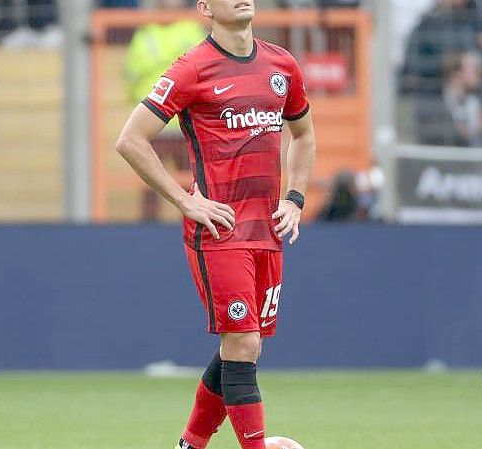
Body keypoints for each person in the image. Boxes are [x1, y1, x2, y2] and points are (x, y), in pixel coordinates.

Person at [114, 1, 316, 448]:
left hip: (267, 231)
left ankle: (189, 444)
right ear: (206, 8)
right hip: (221, 233)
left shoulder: (282, 64)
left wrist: (296, 199)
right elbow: (130, 139)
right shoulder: (193, 69)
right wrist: (185, 200)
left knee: (242, 346)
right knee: (243, 344)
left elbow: (302, 134)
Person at [123, 0, 207, 220]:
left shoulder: (191, 30)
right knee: (152, 183)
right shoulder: (146, 34)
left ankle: (195, 222)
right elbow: (130, 75)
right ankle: (150, 228)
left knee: (194, 182)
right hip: (154, 127)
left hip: (185, 125)